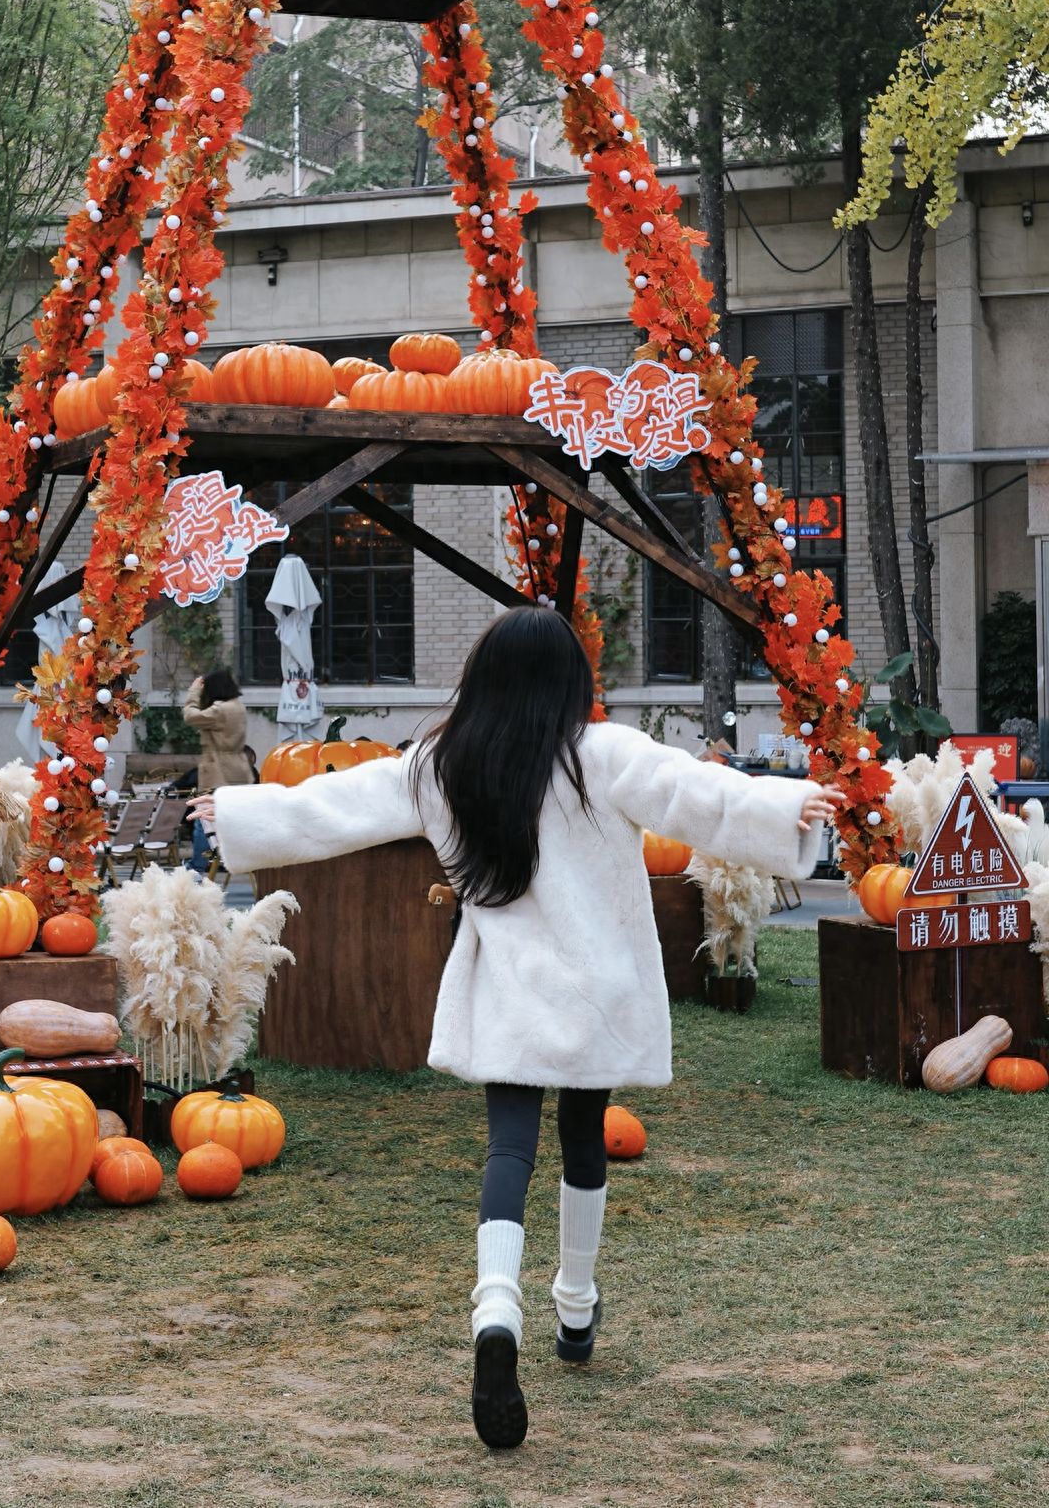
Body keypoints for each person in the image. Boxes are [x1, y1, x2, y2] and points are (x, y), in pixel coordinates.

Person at [194, 608, 842, 1450]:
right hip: (597, 991)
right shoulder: (601, 754)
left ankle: (498, 1307)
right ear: (572, 681)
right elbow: (697, 794)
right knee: (582, 1137)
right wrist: (788, 808)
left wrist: (239, 816)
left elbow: (335, 806)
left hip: (507, 986)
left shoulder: (442, 762)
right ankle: (575, 1305)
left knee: (509, 1148)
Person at [181, 668, 253, 878]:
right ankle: (234, 859)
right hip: (237, 768)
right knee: (229, 819)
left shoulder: (220, 710)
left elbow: (190, 716)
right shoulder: (237, 707)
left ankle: (197, 867)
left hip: (218, 771)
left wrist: (194, 692)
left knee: (203, 819)